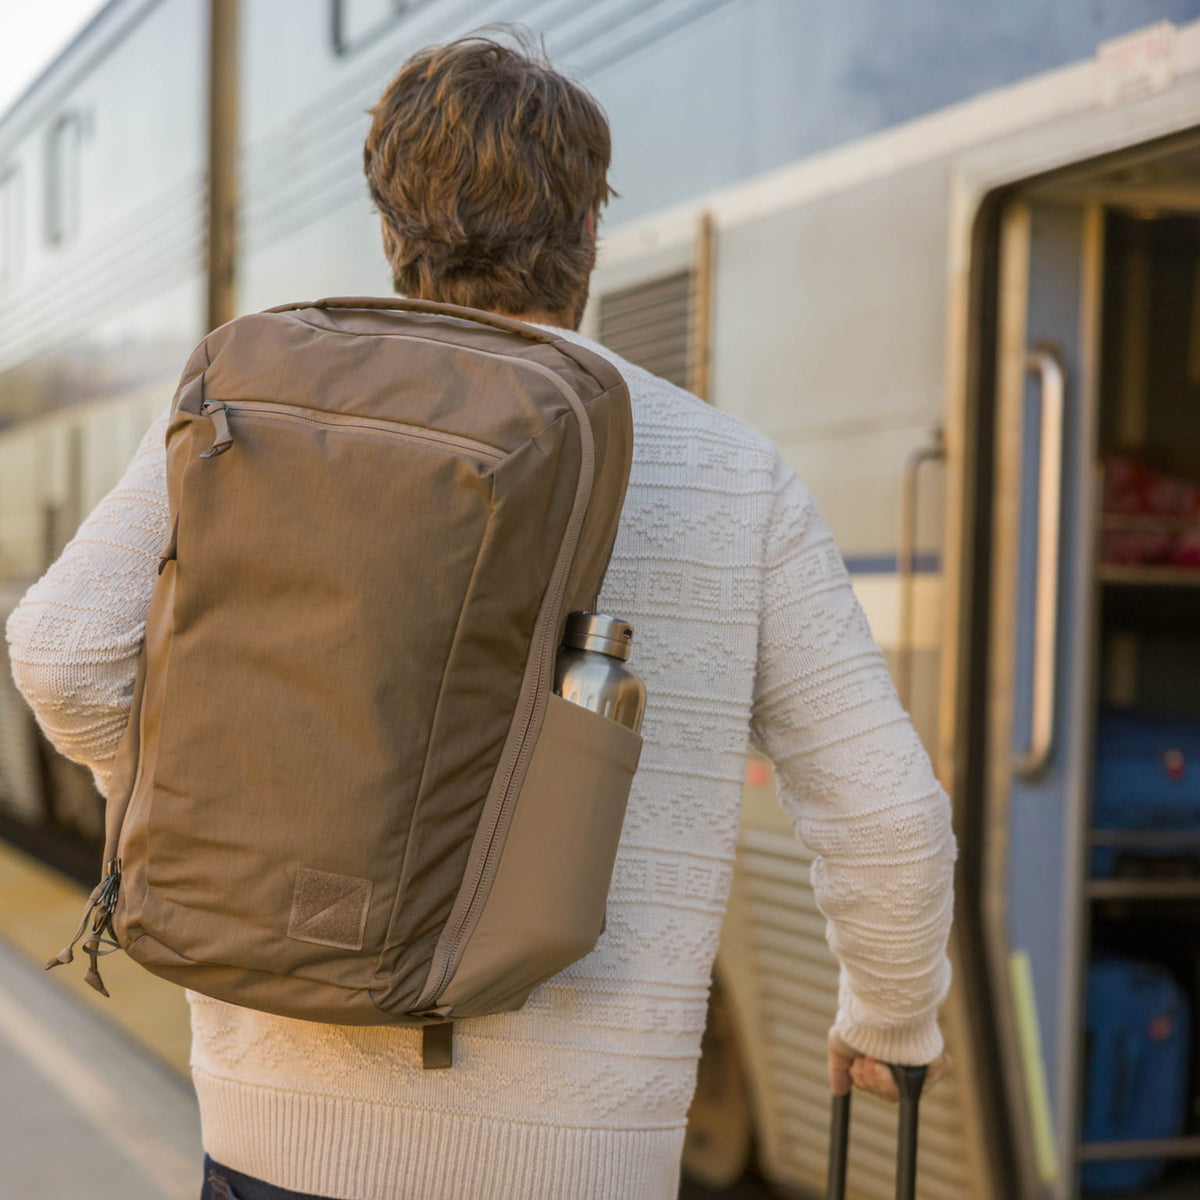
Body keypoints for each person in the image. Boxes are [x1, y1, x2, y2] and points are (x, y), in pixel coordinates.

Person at [6, 32, 954, 1200]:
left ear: (390, 225)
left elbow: (58, 653)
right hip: (580, 1163)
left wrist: (193, 790)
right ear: (589, 236)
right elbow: (889, 815)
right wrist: (889, 1015)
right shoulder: (732, 474)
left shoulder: (249, 416)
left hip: (274, 1138)